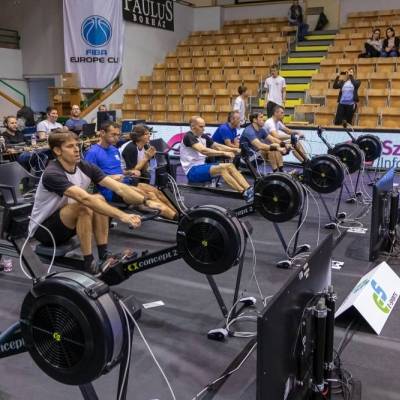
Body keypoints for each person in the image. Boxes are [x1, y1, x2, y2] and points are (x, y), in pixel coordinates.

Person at [28, 130, 142, 274]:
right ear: (57, 151)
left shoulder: (84, 166)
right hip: (44, 231)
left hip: (66, 224)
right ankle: (89, 262)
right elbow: (85, 199)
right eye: (70, 146)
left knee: (99, 198)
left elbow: (118, 187)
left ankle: (103, 254)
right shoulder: (52, 173)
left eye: (77, 145)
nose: (76, 149)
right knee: (85, 205)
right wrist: (123, 216)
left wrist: (145, 200)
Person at [85, 122, 177, 220]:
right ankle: (178, 220)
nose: (117, 138)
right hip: (112, 190)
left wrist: (128, 172)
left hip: (127, 182)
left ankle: (180, 214)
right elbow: (88, 179)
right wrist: (110, 178)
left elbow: (119, 171)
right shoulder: (92, 153)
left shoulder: (114, 150)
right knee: (151, 196)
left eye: (118, 135)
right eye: (113, 135)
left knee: (157, 192)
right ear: (103, 133)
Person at [180, 116, 254, 202]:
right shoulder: (188, 136)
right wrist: (224, 153)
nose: (203, 129)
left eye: (204, 126)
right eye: (201, 126)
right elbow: (203, 150)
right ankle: (244, 193)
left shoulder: (203, 136)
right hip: (192, 171)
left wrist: (234, 149)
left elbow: (217, 146)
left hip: (201, 166)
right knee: (222, 169)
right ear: (193, 126)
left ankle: (248, 189)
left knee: (230, 166)